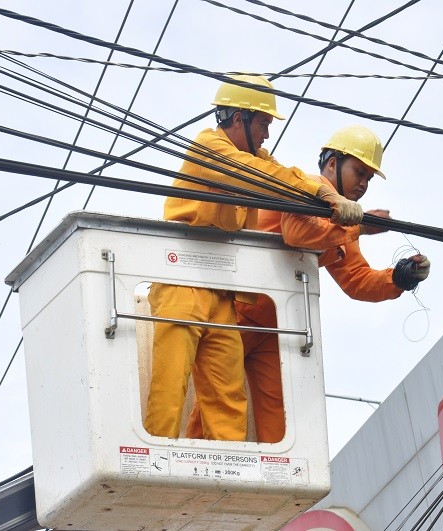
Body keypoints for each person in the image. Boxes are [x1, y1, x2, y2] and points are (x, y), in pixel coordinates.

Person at [143, 75, 364, 441]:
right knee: (170, 389)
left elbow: (279, 175)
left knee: (228, 401)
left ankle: (222, 484)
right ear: (237, 117)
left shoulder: (256, 158)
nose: (266, 133)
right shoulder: (210, 147)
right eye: (262, 122)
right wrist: (326, 195)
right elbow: (261, 176)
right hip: (181, 280)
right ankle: (150, 474)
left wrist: (330, 204)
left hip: (223, 290)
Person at [185, 125, 431, 443]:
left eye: (369, 178)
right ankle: (189, 477)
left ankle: (270, 484)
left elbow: (355, 280)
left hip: (275, 325)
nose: (364, 184)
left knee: (279, 421)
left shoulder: (342, 222)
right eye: (360, 172)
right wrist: (361, 228)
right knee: (216, 406)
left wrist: (397, 278)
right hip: (236, 314)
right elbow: (297, 233)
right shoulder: (309, 187)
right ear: (332, 164)